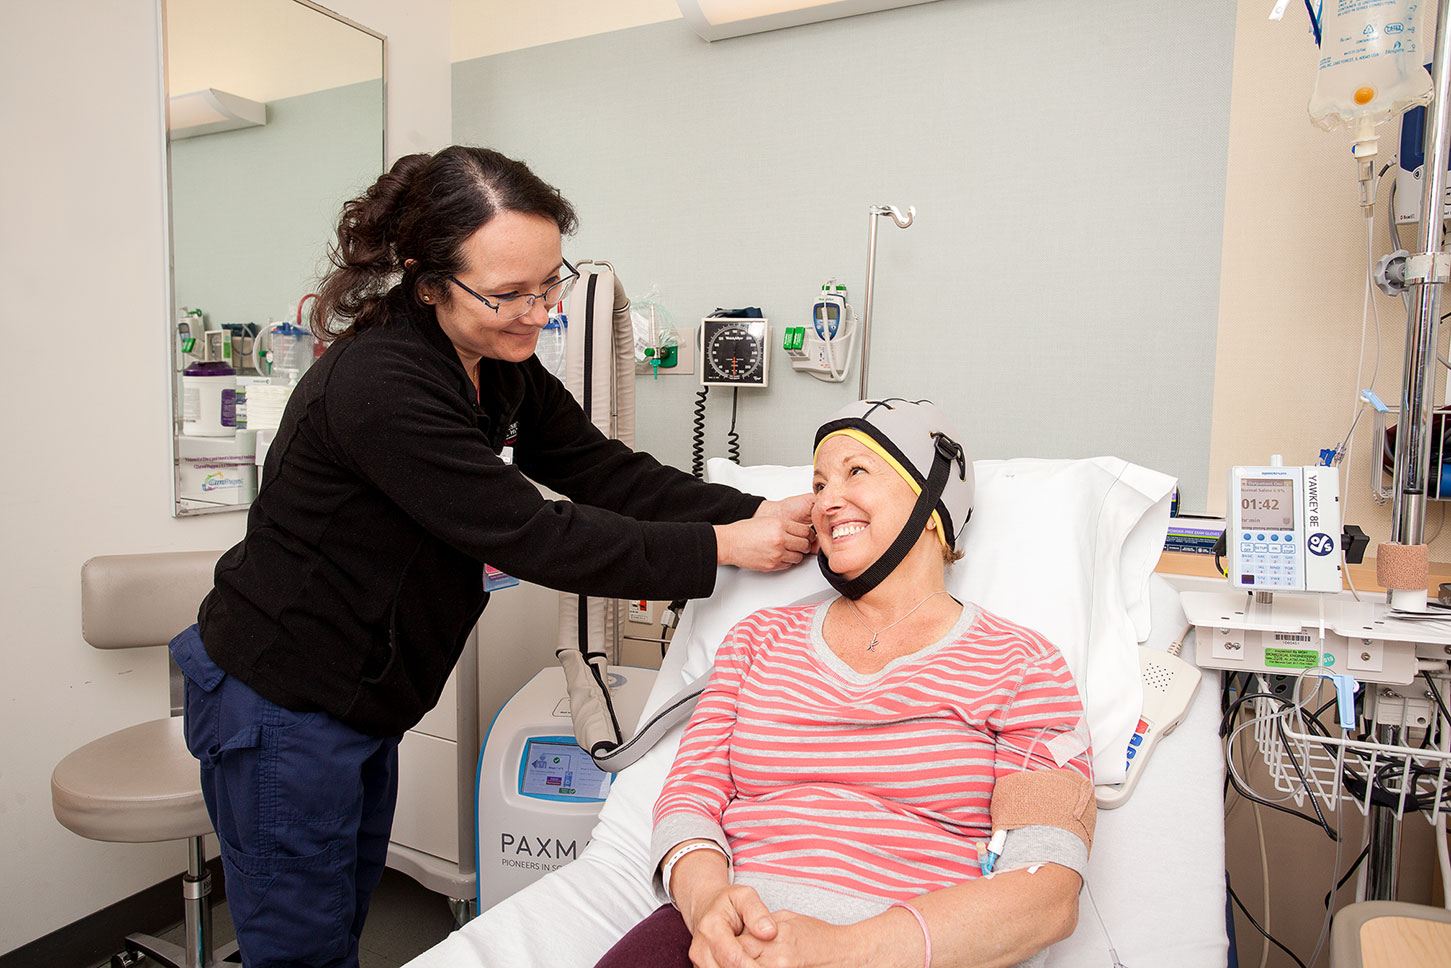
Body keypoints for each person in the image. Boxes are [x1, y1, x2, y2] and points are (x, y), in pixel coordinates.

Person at [169, 146, 813, 968]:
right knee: (301, 948)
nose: (536, 313)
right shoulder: (380, 386)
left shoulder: (495, 367)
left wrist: (758, 508)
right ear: (427, 278)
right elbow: (535, 533)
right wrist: (724, 547)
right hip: (282, 698)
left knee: (339, 915)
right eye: (507, 293)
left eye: (550, 285)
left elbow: (600, 469)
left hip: (361, 697)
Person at [596, 399, 1095, 968]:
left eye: (856, 471)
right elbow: (688, 799)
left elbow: (1048, 893)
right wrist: (707, 901)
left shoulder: (1022, 664)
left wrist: (843, 950)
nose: (826, 500)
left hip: (905, 948)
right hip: (727, 936)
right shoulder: (758, 640)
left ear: (933, 505)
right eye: (819, 482)